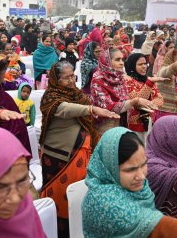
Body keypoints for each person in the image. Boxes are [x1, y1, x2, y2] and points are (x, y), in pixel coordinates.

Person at [82, 127, 177, 238]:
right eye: (130, 170)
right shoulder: (104, 201)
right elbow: (163, 228)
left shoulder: (136, 186)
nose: (141, 176)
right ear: (110, 169)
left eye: (143, 164)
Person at [39, 61, 118, 237]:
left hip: (81, 155)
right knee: (61, 199)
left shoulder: (77, 94)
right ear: (55, 80)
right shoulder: (50, 98)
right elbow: (65, 110)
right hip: (59, 157)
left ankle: (79, 229)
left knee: (78, 196)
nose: (71, 81)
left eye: (72, 76)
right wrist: (91, 108)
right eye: (66, 78)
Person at [91, 48, 153, 134]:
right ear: (107, 61)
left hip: (122, 123)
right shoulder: (98, 80)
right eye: (117, 60)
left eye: (122, 59)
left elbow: (126, 101)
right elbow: (107, 107)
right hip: (105, 126)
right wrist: (134, 102)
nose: (121, 63)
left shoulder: (120, 78)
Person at [124, 53, 165, 139]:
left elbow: (160, 98)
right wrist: (150, 83)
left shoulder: (147, 79)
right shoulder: (127, 80)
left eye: (145, 63)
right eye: (140, 64)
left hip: (150, 121)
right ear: (132, 65)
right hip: (134, 124)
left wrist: (150, 104)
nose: (144, 66)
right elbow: (136, 100)